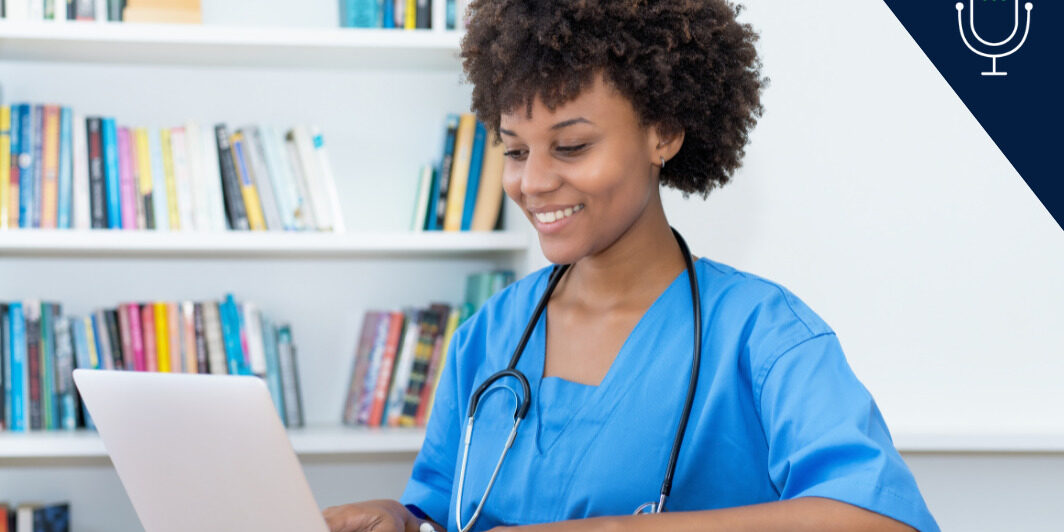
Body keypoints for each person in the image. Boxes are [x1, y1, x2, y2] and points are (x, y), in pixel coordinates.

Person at [323, 1, 939, 531]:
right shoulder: (489, 336)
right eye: (514, 150)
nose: (533, 182)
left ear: (663, 134)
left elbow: (879, 517)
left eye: (571, 146)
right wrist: (406, 520)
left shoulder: (763, 334)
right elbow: (447, 511)